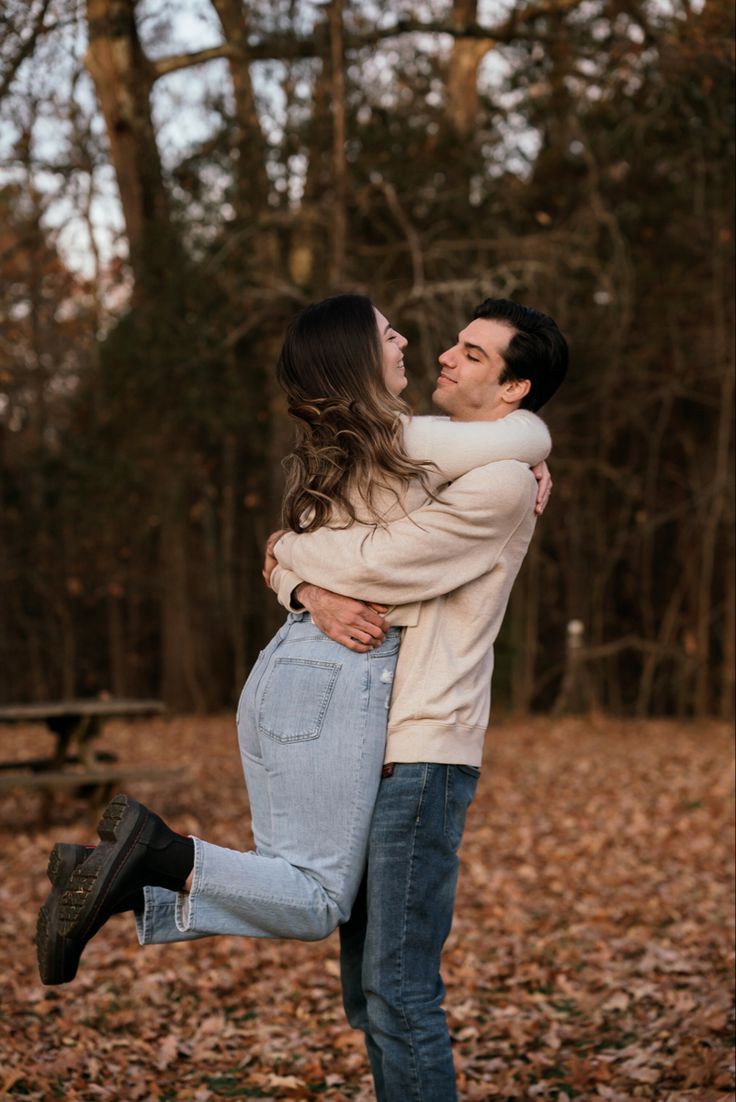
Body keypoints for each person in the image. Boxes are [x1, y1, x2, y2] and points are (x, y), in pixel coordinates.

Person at [36, 294, 552, 988]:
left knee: (291, 880)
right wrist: (297, 566)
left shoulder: (347, 444)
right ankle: (153, 856)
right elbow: (389, 545)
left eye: (468, 350)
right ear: (357, 357)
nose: (416, 346)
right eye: (390, 334)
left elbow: (296, 547)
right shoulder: (396, 442)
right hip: (336, 677)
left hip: (286, 665)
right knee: (314, 899)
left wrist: (293, 571)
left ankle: (128, 885)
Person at [265, 297, 568, 1101]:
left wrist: (289, 553)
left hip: (424, 752)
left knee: (399, 992)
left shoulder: (503, 481)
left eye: (474, 353)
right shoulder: (432, 463)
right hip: (368, 739)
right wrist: (302, 585)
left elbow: (381, 567)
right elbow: (337, 557)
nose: (445, 356)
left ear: (513, 389)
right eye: (454, 344)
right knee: (370, 994)